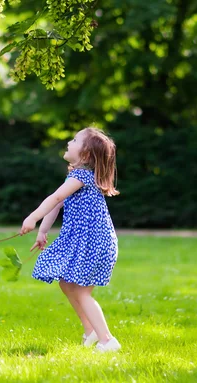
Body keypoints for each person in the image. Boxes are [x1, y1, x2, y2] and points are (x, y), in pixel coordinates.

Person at [19, 127, 121, 353]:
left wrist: (33, 217)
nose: (69, 142)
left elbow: (55, 197)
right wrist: (43, 231)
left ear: (85, 155)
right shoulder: (78, 177)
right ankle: (90, 331)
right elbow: (58, 204)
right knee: (66, 283)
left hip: (93, 243)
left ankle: (107, 340)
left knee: (82, 293)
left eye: (75, 140)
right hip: (89, 241)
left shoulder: (81, 176)